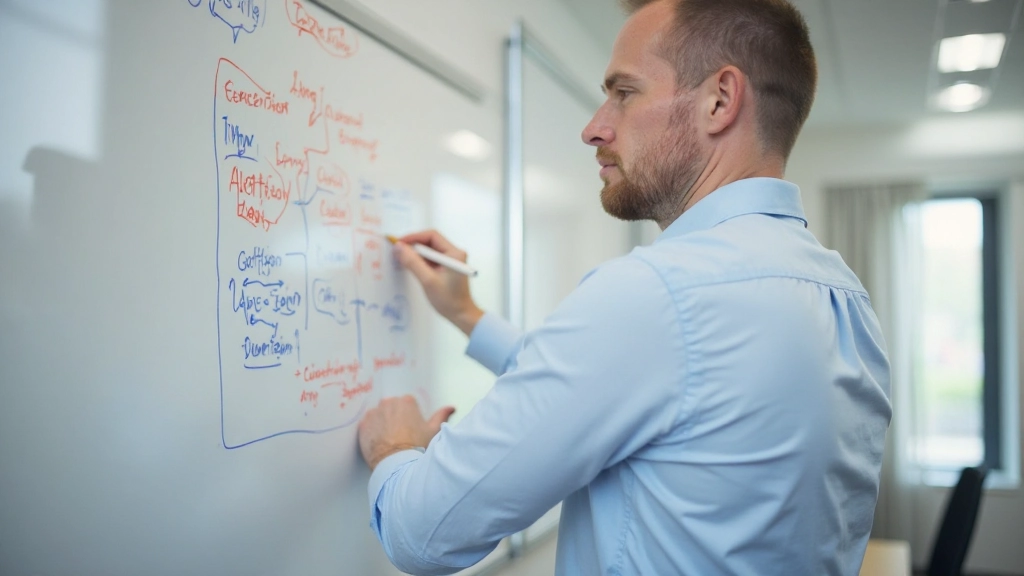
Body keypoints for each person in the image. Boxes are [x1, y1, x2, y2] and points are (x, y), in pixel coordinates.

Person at [357, 0, 892, 574]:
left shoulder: (660, 293)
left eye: (624, 92)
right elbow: (630, 387)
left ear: (720, 100)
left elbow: (422, 533)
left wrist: (396, 450)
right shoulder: (846, 299)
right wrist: (468, 316)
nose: (594, 128)